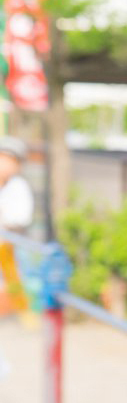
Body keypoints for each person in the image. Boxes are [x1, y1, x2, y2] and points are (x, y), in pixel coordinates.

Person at [0, 135, 34, 315]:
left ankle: (26, 319)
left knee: (18, 296)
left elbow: (20, 218)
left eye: (10, 160)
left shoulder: (18, 187)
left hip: (9, 251)